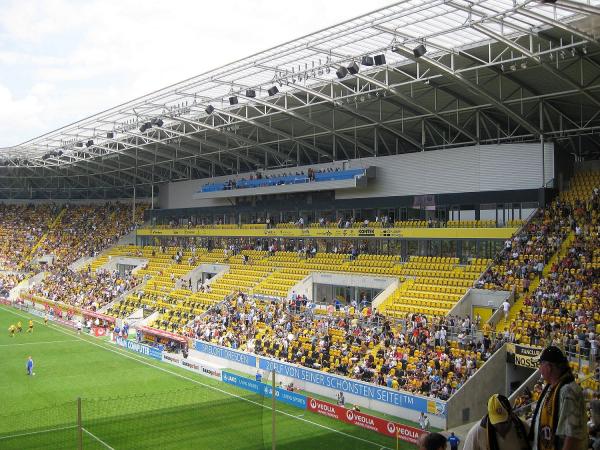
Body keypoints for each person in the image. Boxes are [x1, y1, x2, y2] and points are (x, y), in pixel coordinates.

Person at [530, 346, 587, 450]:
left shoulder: (568, 391)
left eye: (540, 364)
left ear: (548, 367)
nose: (539, 369)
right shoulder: (552, 387)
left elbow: (571, 435)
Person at [463, 394, 529, 450]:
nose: (500, 427)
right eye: (495, 423)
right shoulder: (476, 433)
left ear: (511, 414)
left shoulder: (523, 428)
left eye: (504, 423)